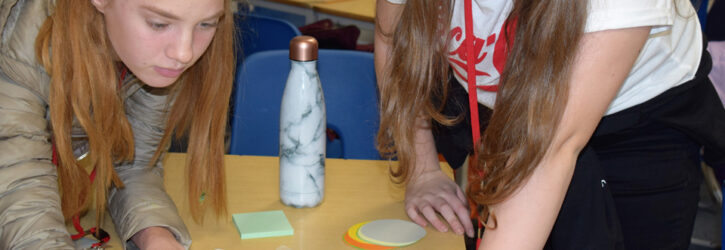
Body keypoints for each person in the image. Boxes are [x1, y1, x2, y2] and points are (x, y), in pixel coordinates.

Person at [375, 0, 725, 249]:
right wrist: (422, 169)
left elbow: (546, 153)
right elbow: (393, 39)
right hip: (514, 118)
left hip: (638, 128)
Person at [0, 0, 235, 248]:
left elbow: (133, 164)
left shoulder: (153, 57)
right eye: (159, 24)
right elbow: (17, 184)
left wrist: (155, 235)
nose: (184, 53)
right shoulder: (20, 37)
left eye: (206, 24)